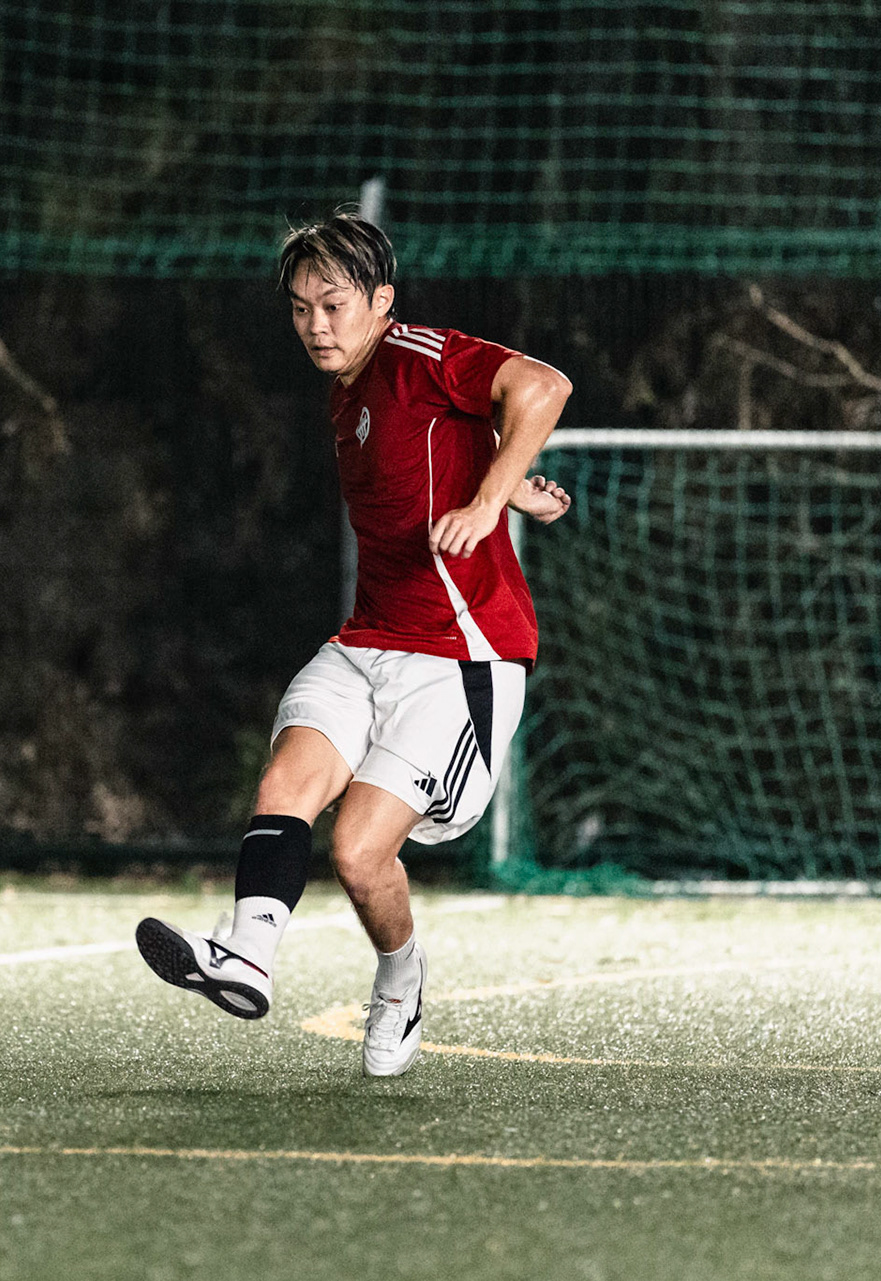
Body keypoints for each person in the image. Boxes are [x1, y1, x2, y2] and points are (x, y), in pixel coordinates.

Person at [136, 211, 572, 1076]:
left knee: (359, 853)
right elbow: (436, 444)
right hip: (367, 639)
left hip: (461, 656)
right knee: (286, 781)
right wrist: (504, 474)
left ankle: (402, 978)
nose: (316, 326)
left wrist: (491, 499)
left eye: (333, 305)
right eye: (300, 309)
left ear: (381, 301)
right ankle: (247, 955)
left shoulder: (414, 352)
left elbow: (543, 386)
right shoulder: (347, 388)